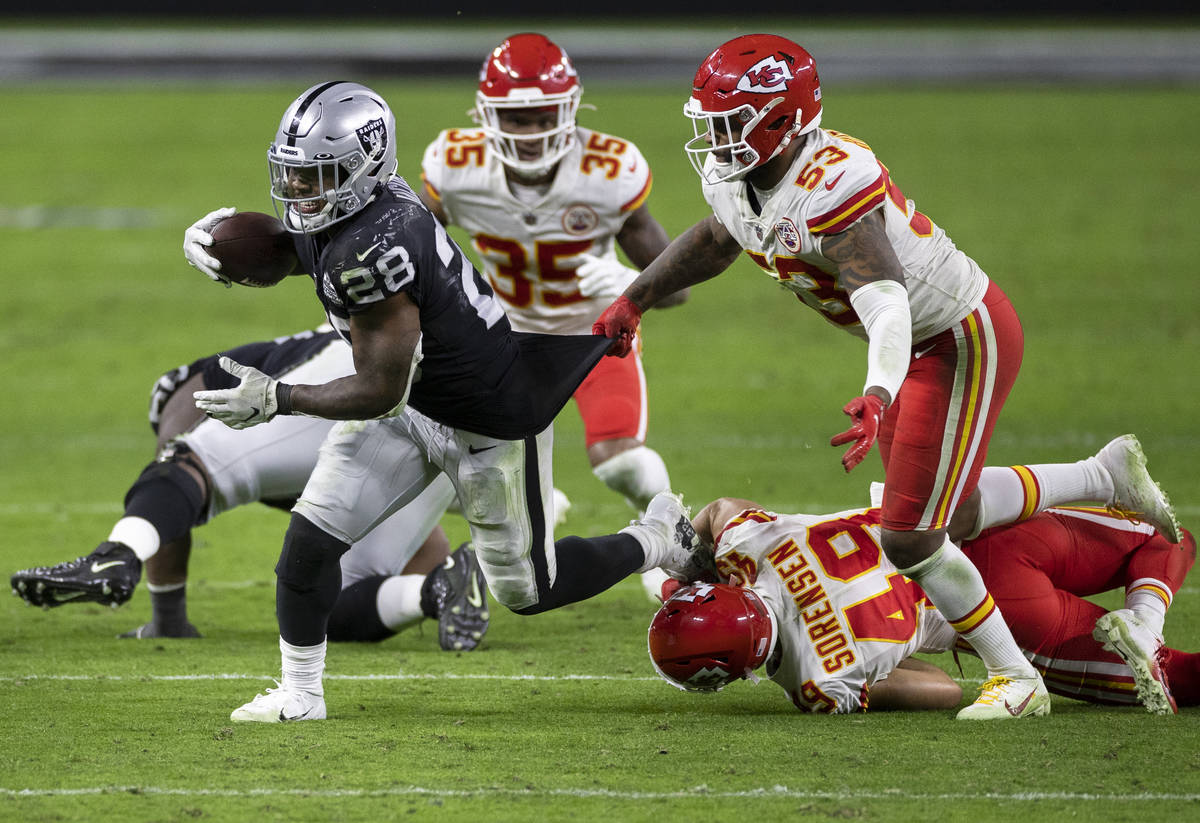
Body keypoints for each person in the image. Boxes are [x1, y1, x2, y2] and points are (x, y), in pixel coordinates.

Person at [595, 33, 1178, 718]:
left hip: (955, 337)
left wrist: (879, 390)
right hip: (917, 345)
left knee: (909, 535)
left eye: (731, 122)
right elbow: (718, 238)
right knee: (943, 511)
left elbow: (888, 303)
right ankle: (1104, 476)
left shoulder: (832, 180)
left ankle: (1016, 677)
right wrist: (636, 296)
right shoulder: (743, 178)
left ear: (781, 122)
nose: (717, 137)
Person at [180, 81, 704, 723]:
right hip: (414, 408)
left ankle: (656, 537)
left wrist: (279, 396)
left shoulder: (375, 246)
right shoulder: (364, 208)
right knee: (310, 543)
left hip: (485, 420)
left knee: (526, 589)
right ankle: (301, 695)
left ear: (360, 169)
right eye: (291, 176)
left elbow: (378, 388)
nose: (297, 193)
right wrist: (226, 250)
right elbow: (298, 251)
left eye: (314, 178)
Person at [9, 328, 489, 651]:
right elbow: (430, 545)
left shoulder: (195, 387)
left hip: (350, 377)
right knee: (329, 604)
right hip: (454, 403)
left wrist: (167, 618)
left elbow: (177, 472)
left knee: (183, 465)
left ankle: (114, 553)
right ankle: (437, 590)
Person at [418, 32, 687, 599]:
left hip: (593, 334)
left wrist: (632, 287)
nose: (532, 131)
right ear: (486, 116)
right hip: (501, 337)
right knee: (470, 472)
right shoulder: (455, 166)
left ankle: (669, 537)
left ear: (570, 110)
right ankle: (544, 510)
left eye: (544, 115)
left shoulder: (606, 170)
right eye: (516, 118)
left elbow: (678, 289)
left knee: (620, 466)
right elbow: (411, 251)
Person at [649, 437, 1193, 716]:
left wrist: (881, 652)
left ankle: (1139, 635)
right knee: (1166, 537)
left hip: (1000, 616)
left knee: (1175, 678)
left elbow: (942, 690)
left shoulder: (817, 684)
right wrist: (684, 575)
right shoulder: (747, 547)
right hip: (991, 532)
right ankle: (1145, 614)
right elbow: (721, 509)